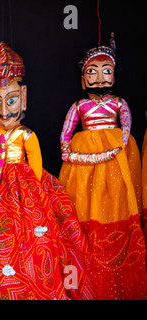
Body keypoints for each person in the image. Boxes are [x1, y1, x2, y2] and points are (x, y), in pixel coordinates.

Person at [0, 42, 95, 300]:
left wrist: (35, 188)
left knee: (40, 238)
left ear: (23, 97)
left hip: (28, 190)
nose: (4, 111)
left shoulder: (26, 134)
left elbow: (35, 162)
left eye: (11, 100)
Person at [59, 33, 147, 299]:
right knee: (84, 204)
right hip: (84, 160)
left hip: (116, 158)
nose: (99, 77)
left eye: (106, 70)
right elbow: (64, 139)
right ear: (83, 77)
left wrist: (120, 143)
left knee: (119, 199)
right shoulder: (79, 106)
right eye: (92, 71)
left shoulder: (119, 103)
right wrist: (73, 154)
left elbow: (126, 122)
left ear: (115, 75)